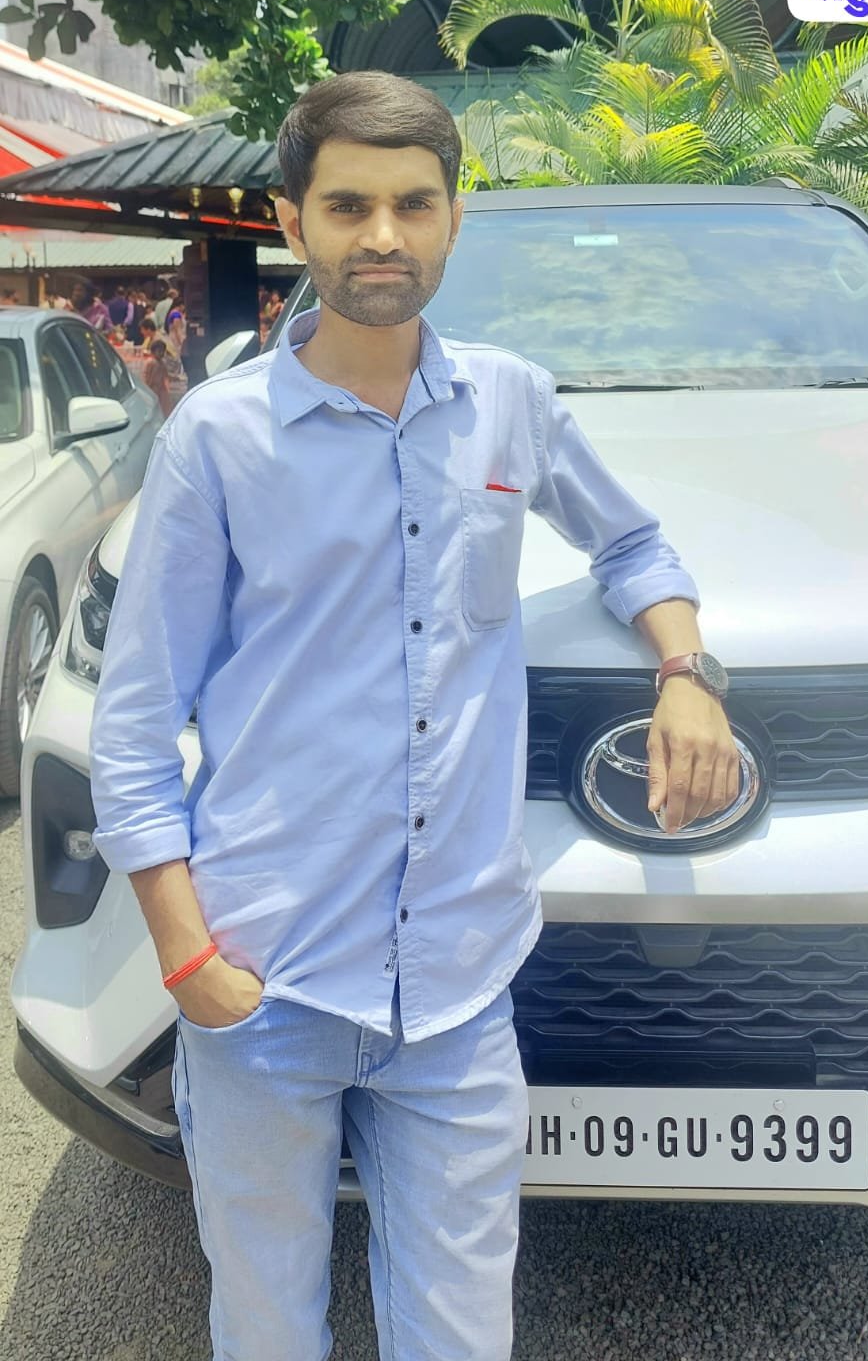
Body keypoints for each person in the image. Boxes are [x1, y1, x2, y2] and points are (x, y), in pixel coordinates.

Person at [87, 70, 741, 1361]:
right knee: (267, 1324)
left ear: (450, 219)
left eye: (412, 204)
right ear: (293, 222)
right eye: (347, 206)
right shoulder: (217, 439)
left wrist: (685, 674)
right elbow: (137, 717)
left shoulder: (511, 403)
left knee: (461, 1332)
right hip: (264, 979)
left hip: (456, 987)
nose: (381, 235)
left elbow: (634, 545)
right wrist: (186, 959)